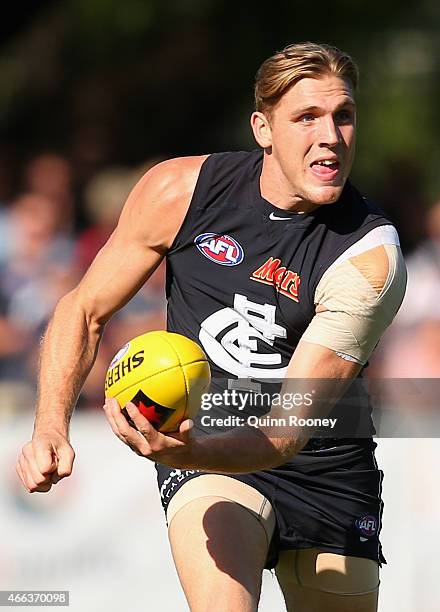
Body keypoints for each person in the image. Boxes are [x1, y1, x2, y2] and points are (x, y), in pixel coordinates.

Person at [17, 42, 407, 612]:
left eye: (343, 116)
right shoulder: (181, 191)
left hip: (325, 466)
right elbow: (83, 308)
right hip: (212, 450)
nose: (331, 136)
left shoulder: (370, 257)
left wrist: (181, 451)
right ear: (263, 128)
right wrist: (50, 425)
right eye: (306, 117)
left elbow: (283, 436)